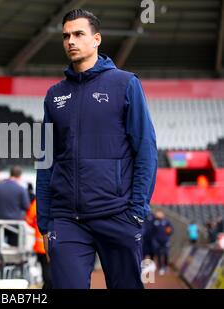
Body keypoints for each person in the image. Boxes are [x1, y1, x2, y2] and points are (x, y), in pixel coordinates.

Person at [36, 9, 157, 289]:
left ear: (97, 39)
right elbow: (45, 160)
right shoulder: (55, 95)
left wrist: (136, 211)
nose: (71, 41)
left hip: (117, 215)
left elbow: (146, 150)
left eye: (79, 34)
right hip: (66, 221)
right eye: (66, 36)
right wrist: (46, 222)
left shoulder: (125, 83)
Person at [0, 166, 30, 245]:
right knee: (14, 248)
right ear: (20, 176)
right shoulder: (21, 189)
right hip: (15, 223)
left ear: (10, 174)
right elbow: (26, 206)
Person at [25, 199, 52, 289]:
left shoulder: (38, 201)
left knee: (46, 271)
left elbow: (28, 219)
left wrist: (37, 226)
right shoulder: (60, 199)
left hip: (41, 244)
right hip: (53, 244)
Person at [151, 210, 173, 275]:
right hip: (157, 241)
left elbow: (171, 229)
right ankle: (160, 268)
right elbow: (151, 231)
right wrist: (153, 240)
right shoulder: (154, 222)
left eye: (160, 213)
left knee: (166, 253)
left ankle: (166, 266)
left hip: (165, 241)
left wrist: (169, 231)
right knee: (159, 254)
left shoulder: (166, 221)